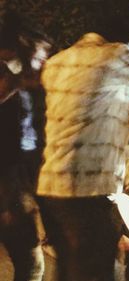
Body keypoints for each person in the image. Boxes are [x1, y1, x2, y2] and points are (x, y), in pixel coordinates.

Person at [36, 12, 129, 281]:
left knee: (68, 271)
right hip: (89, 190)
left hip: (51, 187)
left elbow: (85, 110)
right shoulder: (115, 55)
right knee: (95, 272)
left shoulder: (57, 61)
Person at [0, 13, 51, 281]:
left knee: (31, 265)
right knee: (31, 266)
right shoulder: (9, 73)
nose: (45, 62)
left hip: (19, 180)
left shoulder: (29, 81)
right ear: (24, 44)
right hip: (7, 182)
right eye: (41, 54)